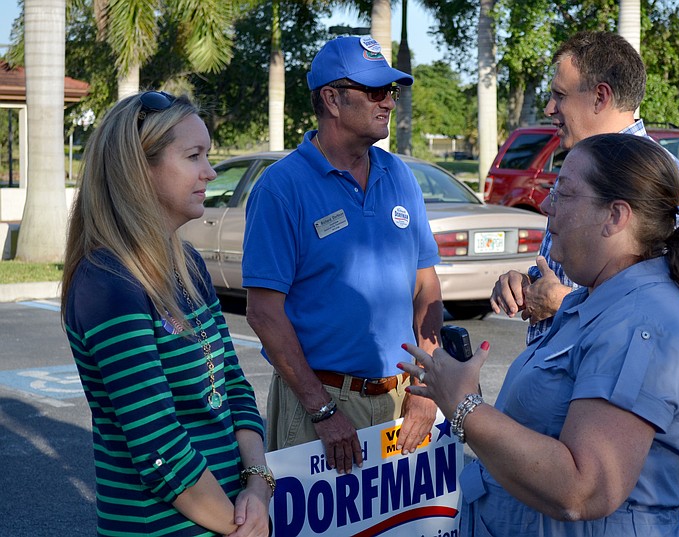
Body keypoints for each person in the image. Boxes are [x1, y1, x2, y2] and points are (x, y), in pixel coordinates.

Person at [400, 133, 679, 536]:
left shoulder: (639, 321)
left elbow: (584, 489)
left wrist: (465, 407)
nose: (546, 205)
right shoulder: (597, 303)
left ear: (615, 217)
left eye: (564, 193)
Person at [61, 91, 272, 537]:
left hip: (230, 516)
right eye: (194, 156)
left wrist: (258, 483)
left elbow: (231, 384)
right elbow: (157, 443)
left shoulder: (189, 262)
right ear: (138, 170)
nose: (210, 172)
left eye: (207, 155)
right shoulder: (108, 281)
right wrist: (240, 528)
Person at [242, 36, 443, 474]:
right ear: (331, 99)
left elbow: (426, 286)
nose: (389, 102)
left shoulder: (400, 175)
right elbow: (263, 313)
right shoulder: (281, 188)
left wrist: (426, 385)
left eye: (391, 91)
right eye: (375, 91)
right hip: (318, 404)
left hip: (404, 397)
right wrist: (322, 410)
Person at [490, 31, 679, 345]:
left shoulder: (656, 180)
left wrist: (564, 302)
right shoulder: (587, 165)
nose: (550, 108)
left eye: (560, 95)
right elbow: (565, 276)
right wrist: (525, 285)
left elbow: (665, 318)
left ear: (600, 97)